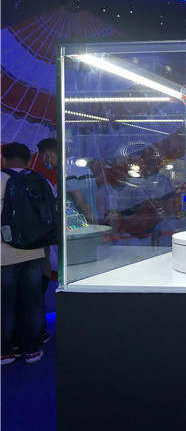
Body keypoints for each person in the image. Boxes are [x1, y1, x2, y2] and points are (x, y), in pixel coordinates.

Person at [1, 143, 49, 365]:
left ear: (4, 159)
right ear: (29, 160)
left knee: (5, 304)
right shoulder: (40, 180)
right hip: (35, 251)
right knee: (34, 301)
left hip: (4, 253)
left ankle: (6, 351)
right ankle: (33, 350)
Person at [38, 138, 98, 225]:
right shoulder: (79, 165)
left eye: (43, 158)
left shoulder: (66, 169)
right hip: (90, 221)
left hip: (78, 226)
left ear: (48, 155)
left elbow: (80, 202)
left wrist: (96, 225)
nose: (44, 162)